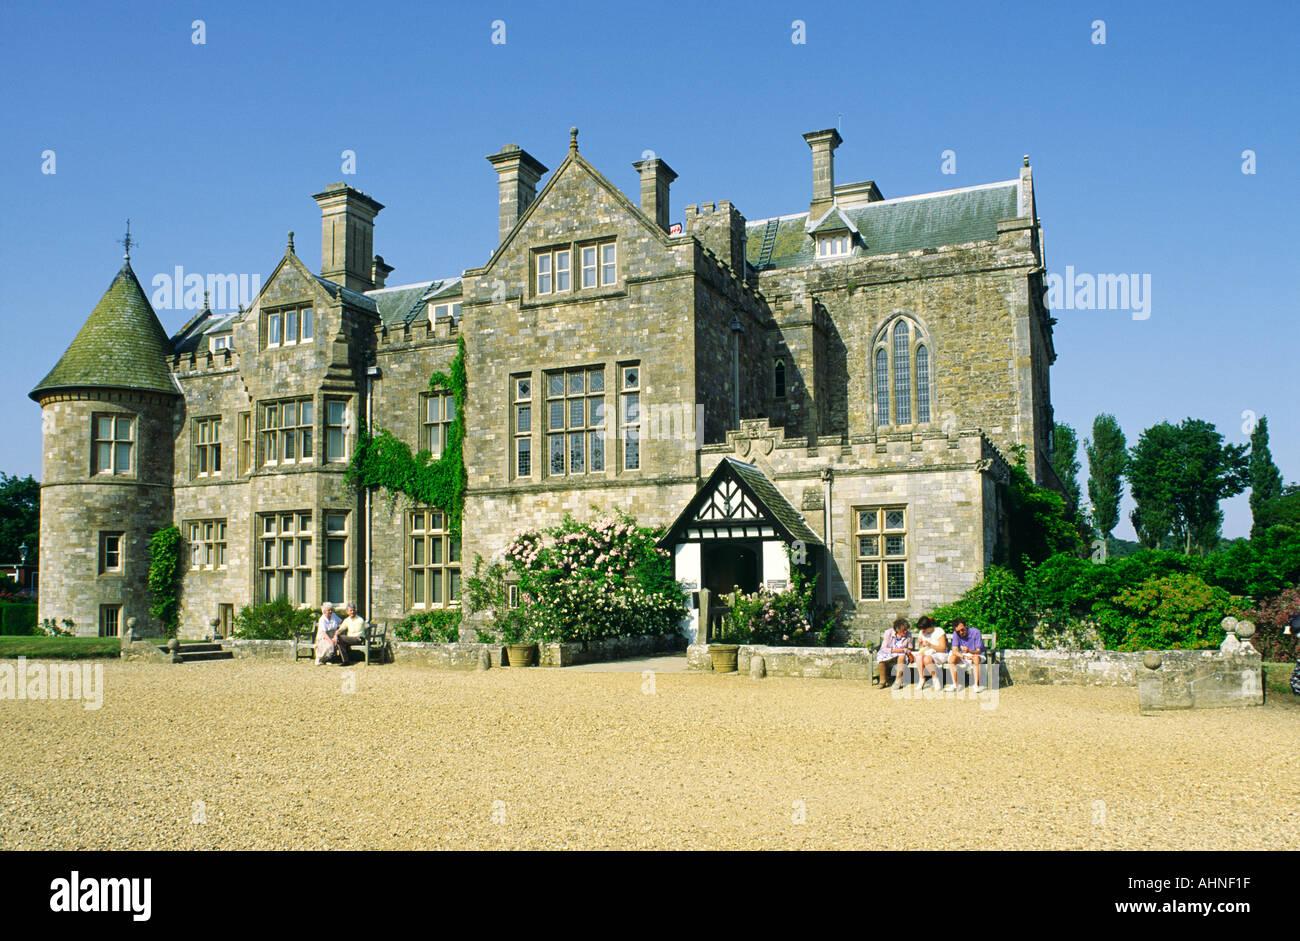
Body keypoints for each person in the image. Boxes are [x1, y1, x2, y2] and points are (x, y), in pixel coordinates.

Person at [945, 618, 985, 692]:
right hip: (965, 656)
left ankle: (976, 685)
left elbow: (978, 651)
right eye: (958, 631)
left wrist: (969, 651)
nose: (961, 632)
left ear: (966, 626)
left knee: (976, 658)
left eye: (962, 629)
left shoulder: (976, 632)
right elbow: (954, 651)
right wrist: (964, 656)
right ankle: (955, 685)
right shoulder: (955, 633)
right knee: (952, 658)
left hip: (976, 654)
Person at [875, 617, 914, 690]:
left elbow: (910, 647)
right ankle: (882, 681)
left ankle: (898, 681)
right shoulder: (888, 633)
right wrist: (897, 650)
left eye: (906, 629)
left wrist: (905, 650)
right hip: (890, 652)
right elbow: (884, 648)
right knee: (880, 658)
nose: (905, 632)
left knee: (902, 656)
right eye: (903, 630)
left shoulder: (908, 634)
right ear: (897, 629)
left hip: (901, 654)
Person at [913, 615, 948, 690]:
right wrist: (921, 644)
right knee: (919, 657)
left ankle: (935, 679)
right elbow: (922, 648)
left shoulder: (939, 631)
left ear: (929, 626)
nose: (923, 632)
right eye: (922, 630)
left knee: (926, 659)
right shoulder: (922, 632)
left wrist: (930, 645)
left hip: (939, 653)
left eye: (924, 630)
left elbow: (943, 648)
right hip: (928, 652)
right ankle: (921, 679)